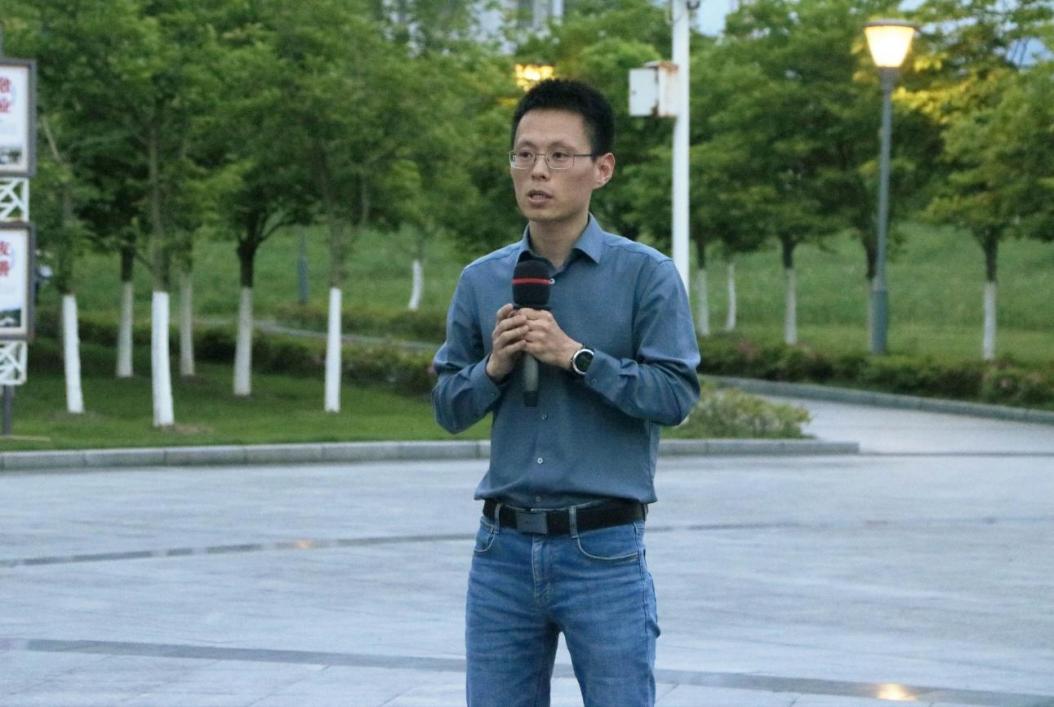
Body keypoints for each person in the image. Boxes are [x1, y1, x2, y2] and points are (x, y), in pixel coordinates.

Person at [432, 78, 701, 707]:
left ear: (601, 169)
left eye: (559, 155)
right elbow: (447, 407)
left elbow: (675, 395)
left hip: (602, 550)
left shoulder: (646, 276)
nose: (538, 172)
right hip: (500, 550)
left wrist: (577, 358)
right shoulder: (482, 280)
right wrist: (494, 367)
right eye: (524, 154)